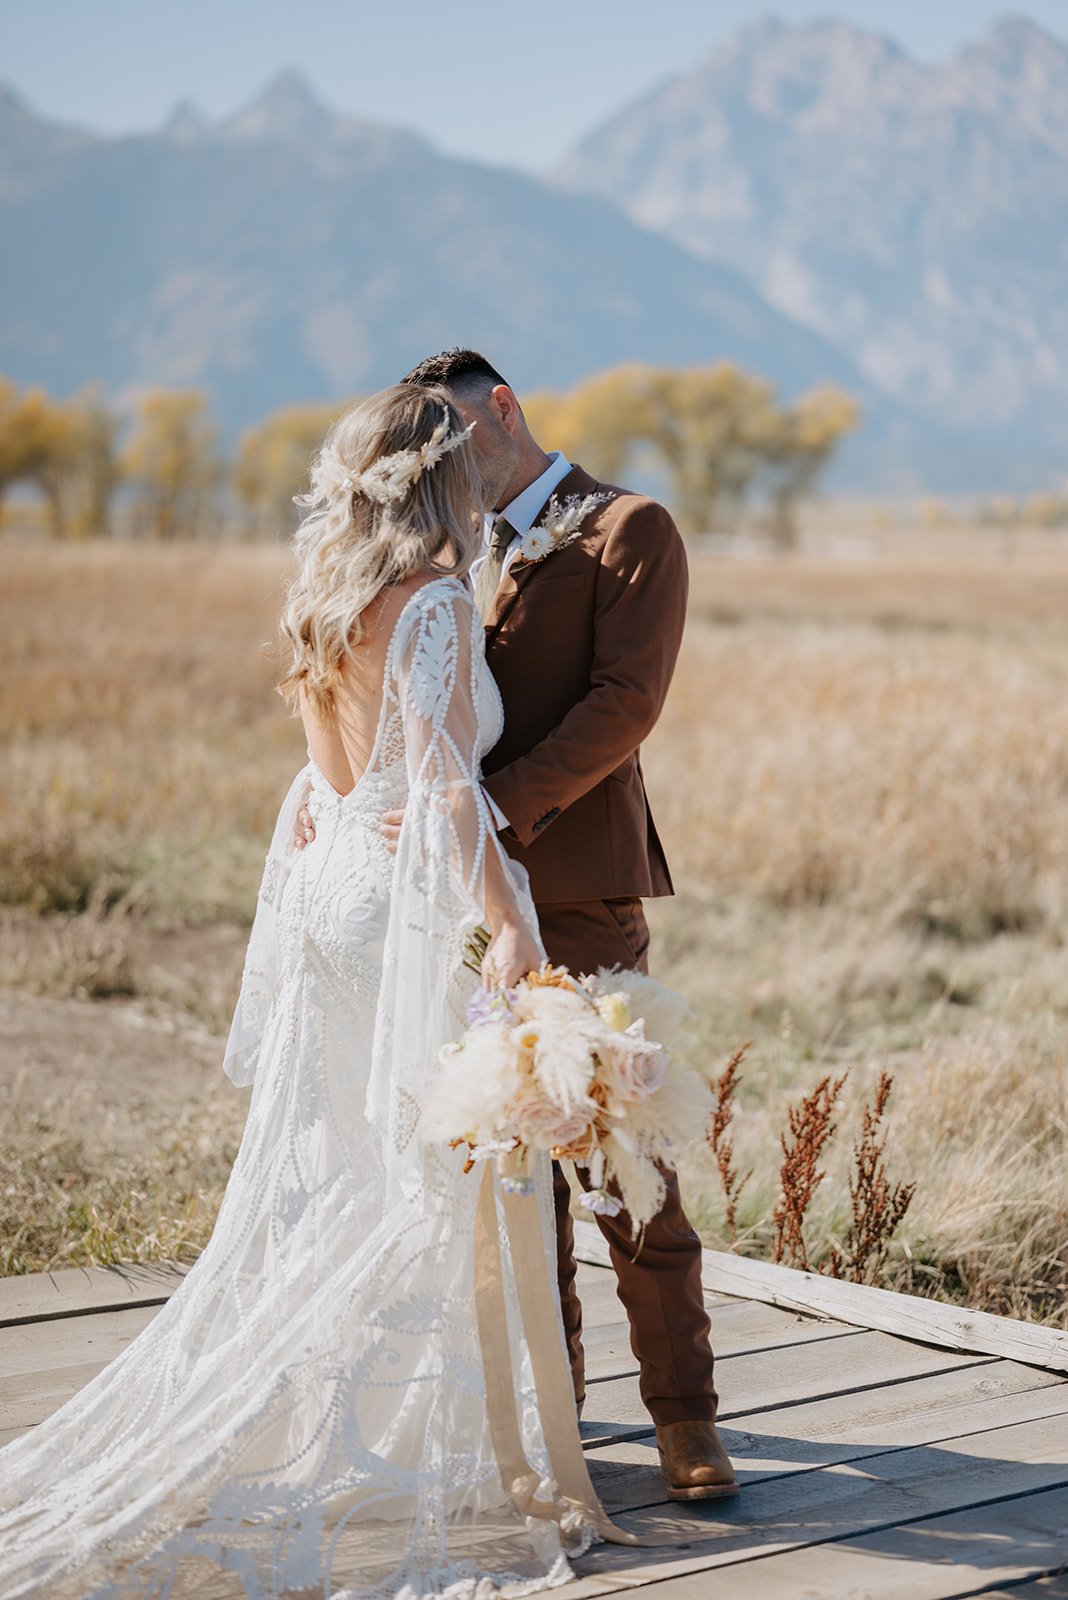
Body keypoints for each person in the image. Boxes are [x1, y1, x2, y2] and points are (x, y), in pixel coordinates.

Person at [0, 385, 599, 1599]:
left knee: (347, 1168)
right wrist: (507, 920)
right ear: (439, 483)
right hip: (391, 908)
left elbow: (334, 775)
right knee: (410, 1185)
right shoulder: (431, 602)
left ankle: (344, 1429)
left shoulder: (330, 593)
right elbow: (439, 784)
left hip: (330, 887)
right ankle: (334, 1429)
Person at [297, 350, 736, 1502]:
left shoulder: (630, 529)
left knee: (620, 1146)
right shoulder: (437, 556)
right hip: (444, 906)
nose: (440, 467)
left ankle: (686, 1414)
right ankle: (558, 1408)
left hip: (577, 884)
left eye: (452, 439)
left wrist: (493, 807)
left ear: (504, 409)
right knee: (504, 1167)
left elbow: (626, 704)